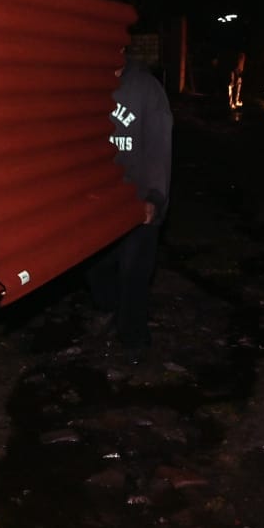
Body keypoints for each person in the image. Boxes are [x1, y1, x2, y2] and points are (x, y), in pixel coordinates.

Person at [85, 55, 173, 360]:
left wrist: (154, 197)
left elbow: (159, 148)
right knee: (98, 267)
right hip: (99, 201)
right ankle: (108, 310)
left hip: (138, 199)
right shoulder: (87, 85)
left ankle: (134, 339)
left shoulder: (146, 89)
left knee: (134, 272)